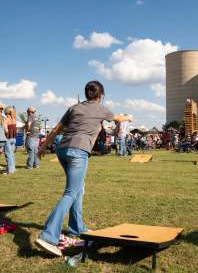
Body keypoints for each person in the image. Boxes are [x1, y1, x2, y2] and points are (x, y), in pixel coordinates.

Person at [35, 80, 132, 257]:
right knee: (71, 192)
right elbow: (118, 118)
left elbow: (57, 129)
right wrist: (129, 117)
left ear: (86, 93)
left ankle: (76, 228)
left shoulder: (74, 108)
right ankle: (48, 236)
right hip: (78, 151)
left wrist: (42, 147)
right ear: (100, 95)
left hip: (62, 150)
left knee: (78, 189)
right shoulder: (100, 108)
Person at [3, 106, 17, 174]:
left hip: (8, 138)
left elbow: (5, 130)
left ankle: (10, 170)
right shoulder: (14, 119)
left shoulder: (5, 120)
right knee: (12, 154)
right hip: (14, 138)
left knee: (8, 154)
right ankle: (13, 168)